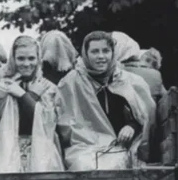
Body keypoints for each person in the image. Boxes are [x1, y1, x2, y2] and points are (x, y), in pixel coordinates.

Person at [56, 31, 155, 171]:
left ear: (113, 53)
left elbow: (143, 117)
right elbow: (65, 124)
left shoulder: (128, 81)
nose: (101, 56)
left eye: (106, 51)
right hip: (82, 148)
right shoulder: (71, 82)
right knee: (84, 166)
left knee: (116, 165)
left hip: (119, 146)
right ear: (85, 54)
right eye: (95, 51)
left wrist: (131, 126)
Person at [0, 35, 64, 173]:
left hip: (42, 147)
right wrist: (33, 96)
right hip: (8, 146)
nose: (26, 64)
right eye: (21, 58)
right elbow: (9, 119)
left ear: (38, 59)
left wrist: (24, 95)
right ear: (13, 59)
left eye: (31, 58)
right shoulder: (2, 86)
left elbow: (45, 124)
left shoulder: (48, 87)